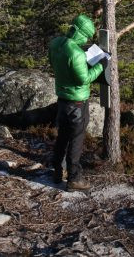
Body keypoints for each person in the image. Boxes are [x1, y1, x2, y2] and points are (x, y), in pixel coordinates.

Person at [48, 13, 104, 191]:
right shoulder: (77, 53)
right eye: (87, 36)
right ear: (82, 33)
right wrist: (101, 65)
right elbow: (84, 79)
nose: (86, 40)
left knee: (62, 136)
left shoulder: (55, 43)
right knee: (76, 139)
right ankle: (74, 178)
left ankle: (57, 170)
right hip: (78, 103)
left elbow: (54, 63)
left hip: (62, 99)